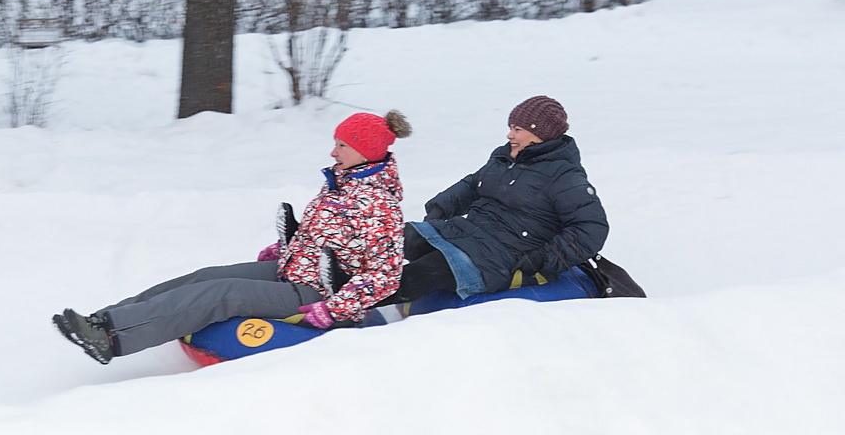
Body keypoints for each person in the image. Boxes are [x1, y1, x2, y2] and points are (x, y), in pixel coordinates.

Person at [53, 110, 412, 364]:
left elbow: (385, 274)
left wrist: (334, 308)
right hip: (294, 270)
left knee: (221, 295)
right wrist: (288, 247)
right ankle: (102, 319)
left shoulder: (378, 203)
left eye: (342, 145)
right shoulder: (344, 181)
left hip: (320, 293)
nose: (333, 151)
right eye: (335, 143)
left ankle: (113, 337)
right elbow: (330, 236)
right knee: (206, 276)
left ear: (365, 151)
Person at [382, 95, 608, 305]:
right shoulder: (505, 158)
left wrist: (542, 259)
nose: (510, 135)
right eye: (511, 128)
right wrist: (440, 208)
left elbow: (591, 227)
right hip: (472, 232)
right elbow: (474, 184)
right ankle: (349, 280)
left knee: (421, 273)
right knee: (393, 240)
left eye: (517, 129)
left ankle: (349, 309)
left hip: (510, 254)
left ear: (539, 134)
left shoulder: (564, 176)